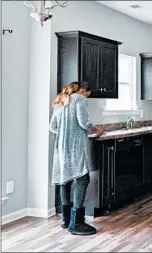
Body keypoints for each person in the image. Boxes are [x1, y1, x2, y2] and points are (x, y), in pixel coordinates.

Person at [49, 81, 103, 236]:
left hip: (61, 149)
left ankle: (66, 220)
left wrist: (65, 131)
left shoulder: (61, 100)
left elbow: (52, 126)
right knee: (82, 179)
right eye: (87, 94)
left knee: (64, 180)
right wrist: (96, 130)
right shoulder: (79, 99)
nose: (87, 97)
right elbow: (84, 122)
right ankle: (76, 223)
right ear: (83, 91)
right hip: (74, 147)